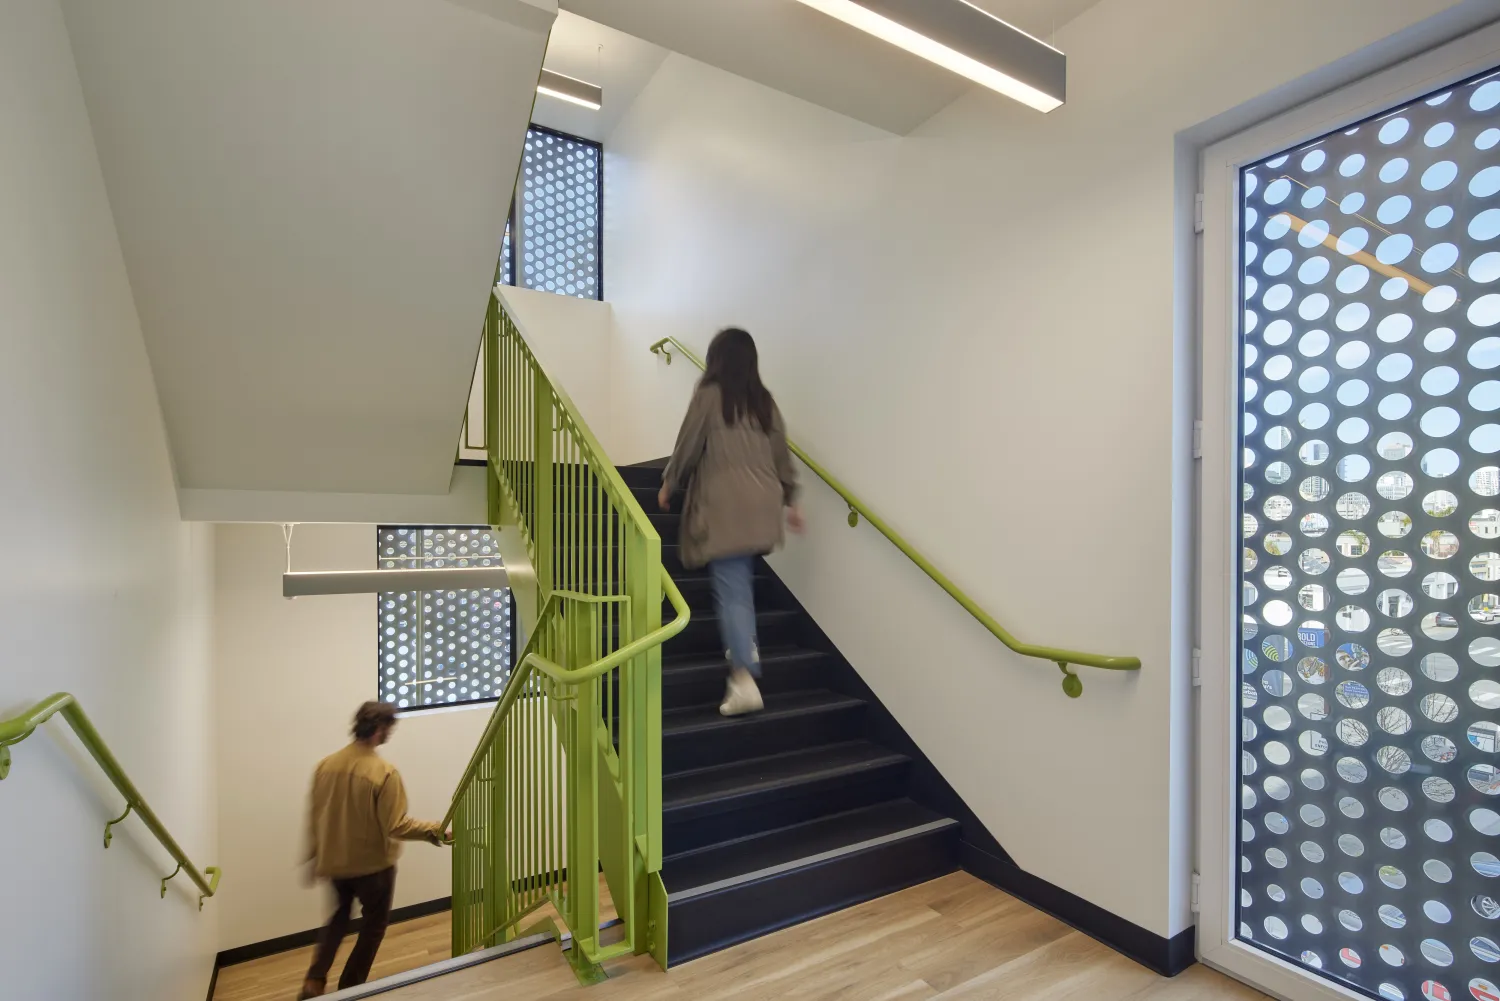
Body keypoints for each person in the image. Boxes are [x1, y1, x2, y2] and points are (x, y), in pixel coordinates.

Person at [659, 327, 802, 717]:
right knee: (738, 581)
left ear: (716, 359)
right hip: (762, 503)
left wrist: (670, 482)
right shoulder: (764, 401)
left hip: (725, 505)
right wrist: (790, 499)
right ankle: (744, 642)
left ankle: (742, 678)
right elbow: (780, 454)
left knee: (732, 587)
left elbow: (688, 443)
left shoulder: (709, 396)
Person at [299, 702, 449, 999]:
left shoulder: (325, 766)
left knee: (338, 918)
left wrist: (315, 855)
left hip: (334, 863)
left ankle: (314, 980)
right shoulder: (384, 772)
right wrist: (437, 829)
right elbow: (396, 825)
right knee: (374, 926)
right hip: (373, 868)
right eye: (389, 729)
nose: (389, 735)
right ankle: (350, 989)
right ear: (380, 729)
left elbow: (315, 814)